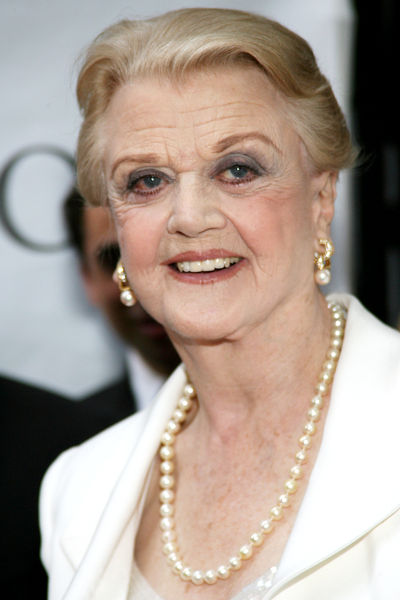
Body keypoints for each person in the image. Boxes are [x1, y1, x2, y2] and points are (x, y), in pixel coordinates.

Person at [39, 8, 400, 599]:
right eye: (146, 181)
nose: (190, 218)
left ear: (320, 196)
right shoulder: (79, 490)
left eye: (237, 169)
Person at [63, 188, 180, 407]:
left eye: (167, 253)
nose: (144, 287)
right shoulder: (77, 435)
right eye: (114, 259)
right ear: (86, 278)